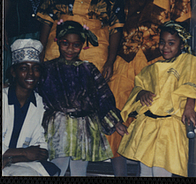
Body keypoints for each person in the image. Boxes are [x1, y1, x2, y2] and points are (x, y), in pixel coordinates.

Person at [105, 0, 192, 176]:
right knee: (117, 115)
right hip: (125, 59)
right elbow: (117, 26)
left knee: (150, 120)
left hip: (155, 64)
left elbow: (182, 33)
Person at [37, 20, 128, 176]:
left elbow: (103, 97)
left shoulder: (89, 69)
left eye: (76, 45)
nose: (70, 49)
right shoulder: (47, 69)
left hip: (83, 128)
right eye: (65, 43)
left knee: (79, 170)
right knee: (56, 167)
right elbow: (36, 93)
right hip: (59, 127)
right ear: (58, 41)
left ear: (83, 45)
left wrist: (115, 121)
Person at [117, 21, 196, 177]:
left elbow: (190, 83)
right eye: (162, 43)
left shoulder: (187, 61)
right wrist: (141, 93)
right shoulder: (151, 68)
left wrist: (190, 106)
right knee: (145, 170)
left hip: (169, 125)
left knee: (161, 169)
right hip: (148, 124)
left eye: (171, 43)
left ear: (181, 45)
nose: (165, 47)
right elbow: (138, 86)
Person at [2, 39, 60, 176]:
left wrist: (9, 158)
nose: (30, 74)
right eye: (24, 68)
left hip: (20, 163)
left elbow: (41, 151)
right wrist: (24, 152)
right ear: (13, 72)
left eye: (36, 68)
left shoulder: (41, 104)